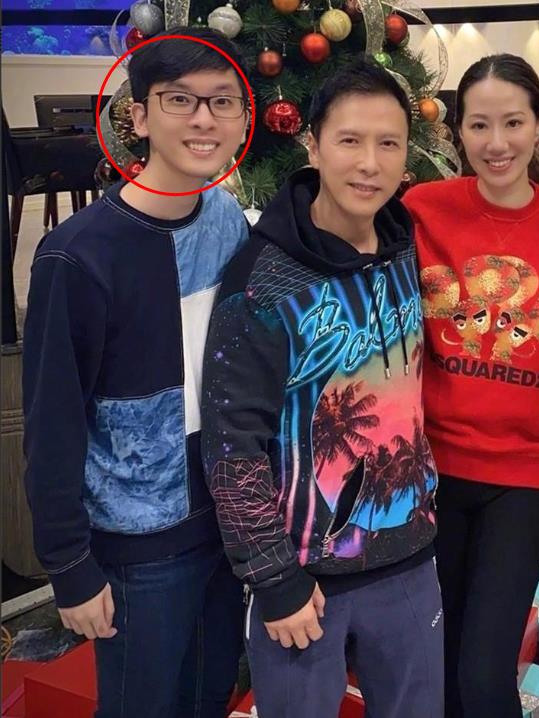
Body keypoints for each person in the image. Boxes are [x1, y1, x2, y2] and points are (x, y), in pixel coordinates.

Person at [201, 59, 442, 718]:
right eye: (349, 140)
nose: (369, 163)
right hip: (303, 582)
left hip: (410, 559)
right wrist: (272, 574)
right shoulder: (264, 279)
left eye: (388, 143)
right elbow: (231, 441)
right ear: (312, 145)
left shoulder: (405, 245)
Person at [22, 26, 250, 718]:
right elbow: (52, 422)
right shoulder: (77, 256)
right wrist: (69, 567)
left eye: (222, 101)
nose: (204, 118)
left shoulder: (227, 221)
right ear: (140, 117)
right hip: (139, 544)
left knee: (208, 696)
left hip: (226, 521)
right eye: (180, 99)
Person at [403, 54, 539, 718]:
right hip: (430, 470)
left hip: (525, 477)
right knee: (440, 664)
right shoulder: (420, 209)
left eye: (513, 122)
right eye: (479, 124)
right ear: (457, 131)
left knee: (484, 676)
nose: (497, 142)